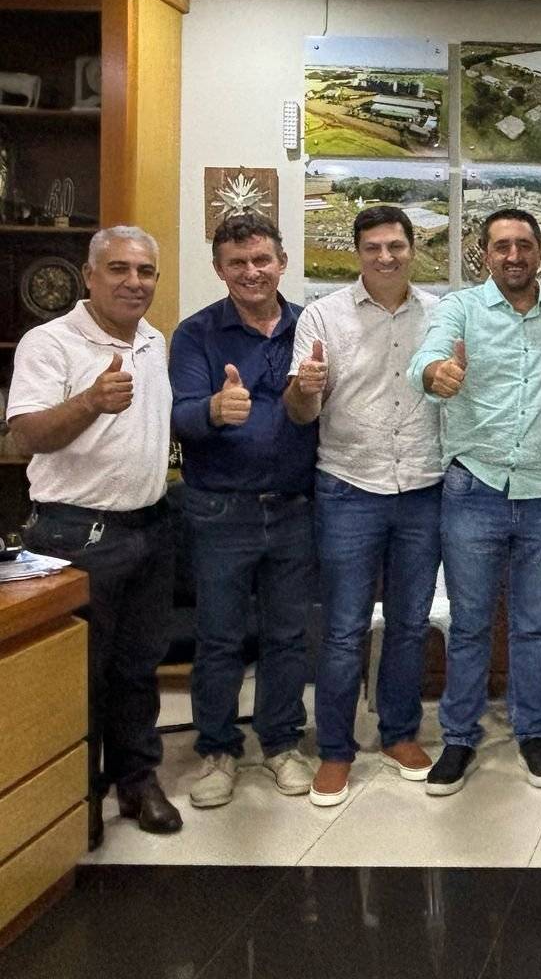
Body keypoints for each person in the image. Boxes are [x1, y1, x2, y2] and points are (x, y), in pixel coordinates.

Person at [407, 208, 541, 796]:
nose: (513, 256)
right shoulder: (460, 309)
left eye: (523, 245)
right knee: (469, 625)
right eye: (501, 246)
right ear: (484, 254)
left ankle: (532, 732)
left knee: (533, 625)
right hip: (475, 488)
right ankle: (459, 738)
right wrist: (436, 375)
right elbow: (424, 361)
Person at [8, 226, 182, 847]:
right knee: (79, 674)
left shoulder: (154, 340)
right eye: (119, 269)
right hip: (76, 535)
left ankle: (137, 781)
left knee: (138, 669)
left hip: (150, 528)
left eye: (145, 271)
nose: (134, 282)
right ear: (89, 276)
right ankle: (75, 797)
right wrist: (89, 401)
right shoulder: (49, 342)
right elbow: (26, 436)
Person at [282, 207, 442, 806]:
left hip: (422, 486)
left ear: (412, 248)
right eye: (373, 247)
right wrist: (304, 390)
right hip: (348, 488)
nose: (385, 257)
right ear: (358, 252)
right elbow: (302, 413)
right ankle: (335, 749)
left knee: (409, 622)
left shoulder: (440, 314)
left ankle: (399, 734)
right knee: (345, 628)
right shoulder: (322, 316)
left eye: (395, 245)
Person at [170, 213, 318, 809]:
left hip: (295, 507)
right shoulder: (196, 334)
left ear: (282, 262)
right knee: (220, 639)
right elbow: (178, 417)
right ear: (219, 269)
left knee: (288, 636)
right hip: (219, 510)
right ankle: (218, 750)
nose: (251, 271)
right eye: (237, 262)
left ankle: (281, 744)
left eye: (261, 259)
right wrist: (213, 410)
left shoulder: (311, 326)